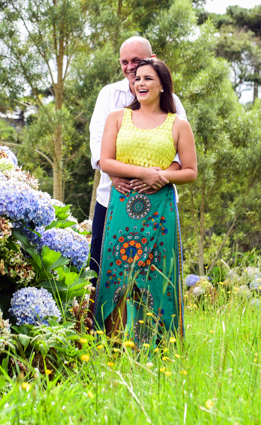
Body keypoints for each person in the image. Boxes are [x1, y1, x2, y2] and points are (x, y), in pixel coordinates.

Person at [92, 58, 197, 343]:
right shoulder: (117, 117)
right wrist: (143, 173)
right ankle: (107, 350)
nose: (140, 83)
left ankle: (157, 350)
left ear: (163, 85)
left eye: (148, 78)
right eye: (137, 78)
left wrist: (160, 177)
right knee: (115, 278)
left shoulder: (179, 125)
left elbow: (190, 172)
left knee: (156, 279)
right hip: (121, 209)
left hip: (160, 211)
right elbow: (105, 161)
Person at [88, 37, 186, 284]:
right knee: (101, 275)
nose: (130, 67)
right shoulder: (109, 96)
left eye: (136, 61)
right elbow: (99, 149)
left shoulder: (173, 103)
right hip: (111, 199)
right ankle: (97, 324)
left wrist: (155, 178)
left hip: (158, 202)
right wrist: (114, 173)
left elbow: (180, 158)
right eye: (124, 62)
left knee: (155, 278)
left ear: (153, 59)